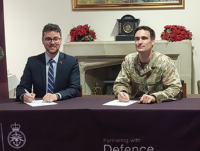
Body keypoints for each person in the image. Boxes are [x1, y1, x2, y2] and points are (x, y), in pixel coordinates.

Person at [113, 26, 182, 104]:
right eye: (137, 39)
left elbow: (176, 88)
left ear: (152, 41)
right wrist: (122, 92)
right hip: (134, 105)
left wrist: (154, 97)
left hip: (158, 106)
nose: (139, 42)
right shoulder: (129, 60)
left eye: (144, 38)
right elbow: (120, 83)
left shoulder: (165, 62)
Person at [16, 23, 81, 102]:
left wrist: (57, 96)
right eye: (48, 39)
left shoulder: (71, 62)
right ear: (42, 40)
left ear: (60, 40)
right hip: (40, 107)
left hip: (63, 105)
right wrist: (24, 96)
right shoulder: (32, 62)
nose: (52, 42)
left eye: (56, 39)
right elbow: (21, 88)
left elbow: (74, 88)